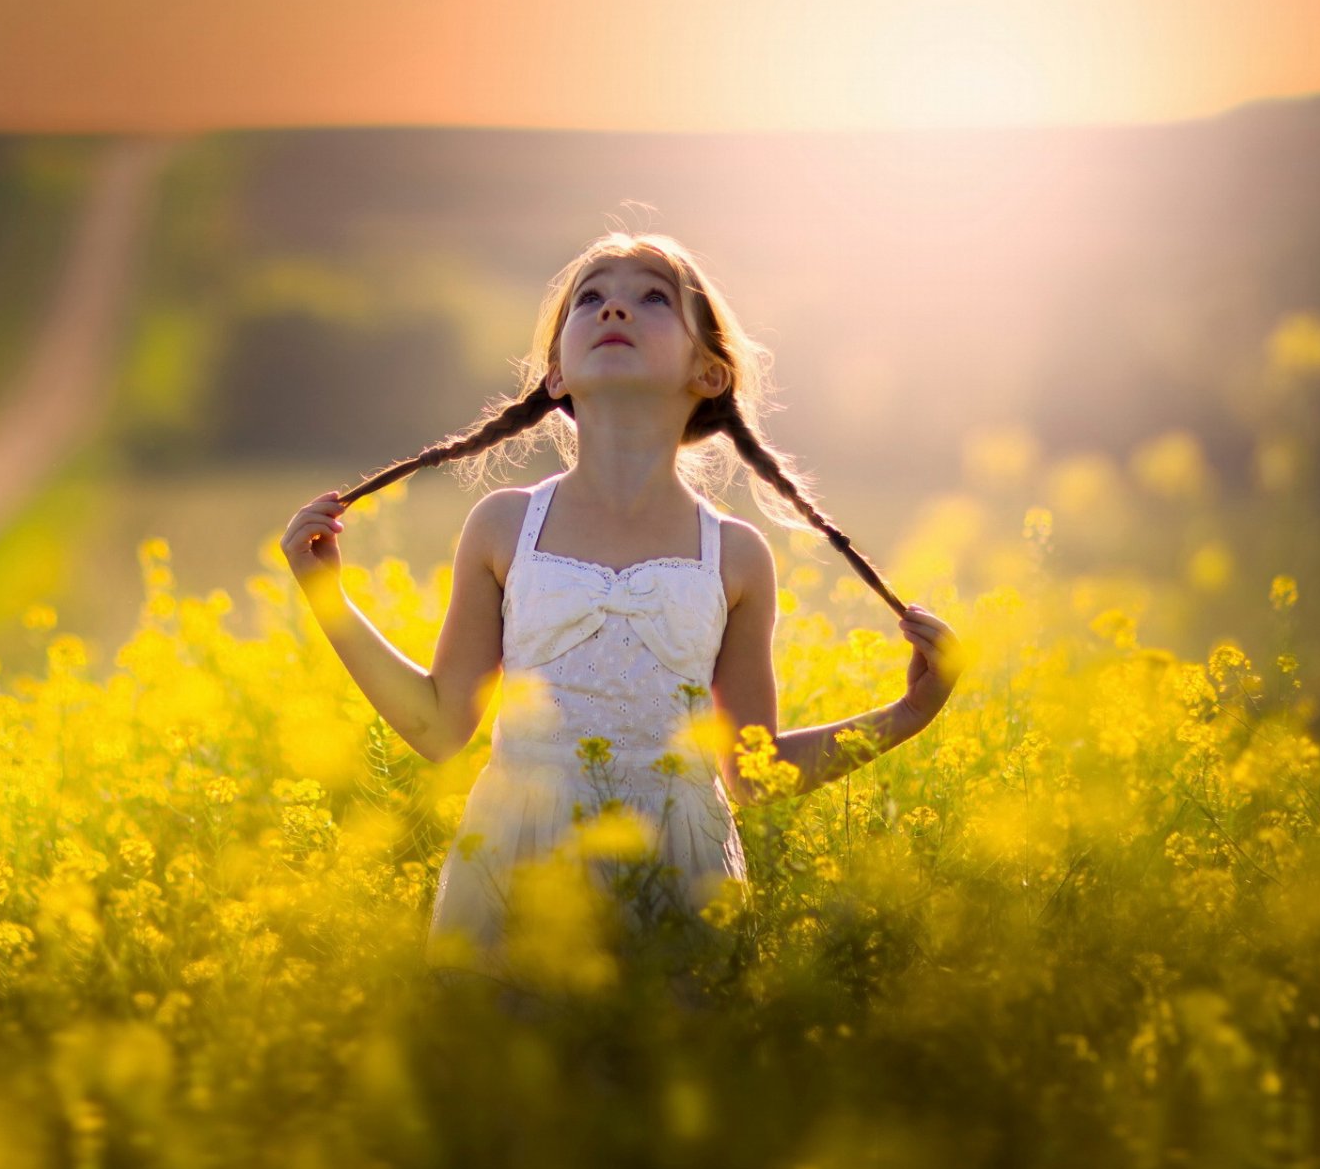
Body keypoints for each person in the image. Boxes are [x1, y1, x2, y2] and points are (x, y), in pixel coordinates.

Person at [279, 229, 965, 1003]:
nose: (614, 305)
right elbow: (439, 727)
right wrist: (324, 595)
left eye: (652, 297)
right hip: (514, 871)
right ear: (556, 373)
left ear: (710, 371)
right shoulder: (504, 526)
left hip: (679, 877)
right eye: (590, 296)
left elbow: (754, 770)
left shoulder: (736, 556)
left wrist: (911, 711)